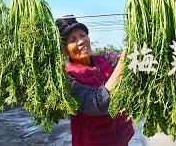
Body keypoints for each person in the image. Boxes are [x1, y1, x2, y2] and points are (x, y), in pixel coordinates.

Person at [55, 15, 134, 146]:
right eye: (73, 39)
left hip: (121, 139)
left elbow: (131, 64)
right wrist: (122, 64)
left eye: (82, 35)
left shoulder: (106, 58)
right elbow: (98, 102)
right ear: (65, 51)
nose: (81, 41)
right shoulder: (68, 78)